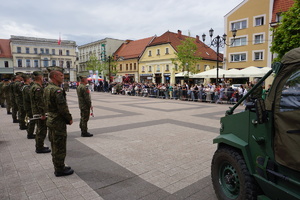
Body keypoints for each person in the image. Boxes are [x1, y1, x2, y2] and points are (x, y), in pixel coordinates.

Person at [43, 67, 74, 177]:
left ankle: (59, 165)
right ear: (55, 77)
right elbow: (62, 108)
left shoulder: (47, 88)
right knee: (60, 145)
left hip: (51, 119)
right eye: (61, 76)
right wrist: (69, 118)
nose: (63, 77)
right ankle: (59, 169)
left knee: (55, 144)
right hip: (58, 122)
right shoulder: (57, 90)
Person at [30, 71, 50, 153]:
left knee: (40, 129)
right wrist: (42, 114)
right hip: (39, 113)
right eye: (42, 77)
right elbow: (39, 102)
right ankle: (39, 147)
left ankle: (39, 145)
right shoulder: (37, 88)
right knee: (41, 130)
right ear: (39, 77)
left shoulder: (34, 86)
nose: (43, 78)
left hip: (37, 111)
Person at [22, 75, 36, 139]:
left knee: (29, 119)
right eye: (30, 79)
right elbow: (29, 97)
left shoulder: (24, 87)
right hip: (29, 106)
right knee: (32, 120)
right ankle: (30, 134)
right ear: (27, 80)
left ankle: (29, 131)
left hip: (27, 105)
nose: (31, 80)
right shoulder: (27, 88)